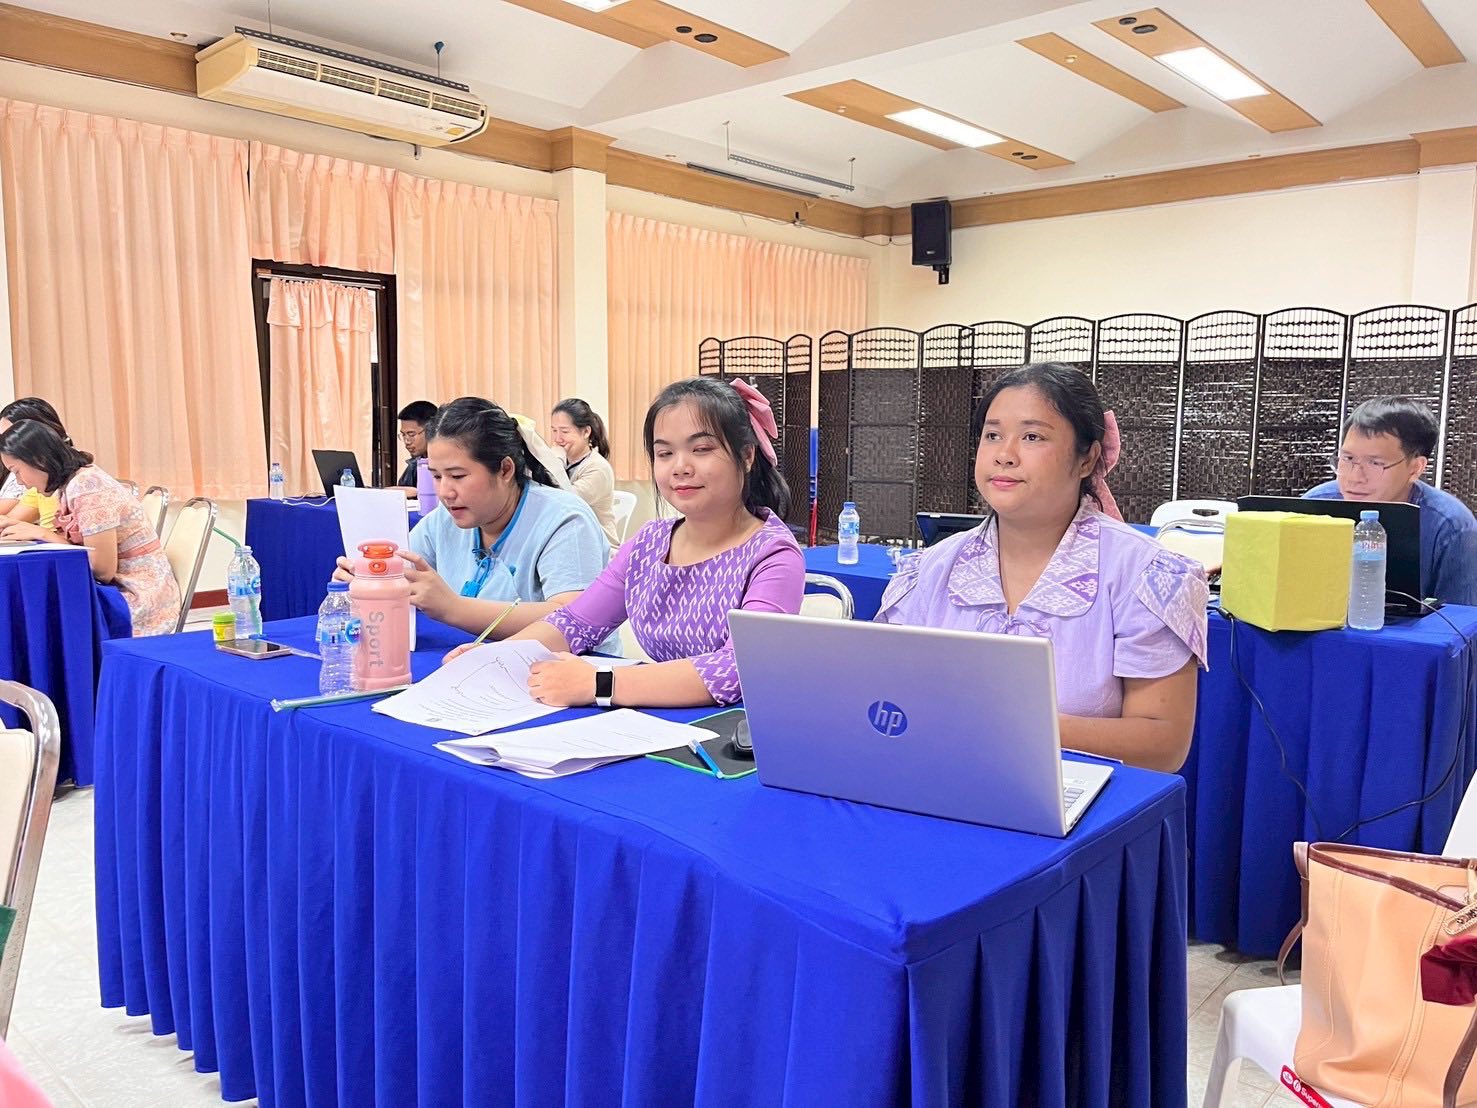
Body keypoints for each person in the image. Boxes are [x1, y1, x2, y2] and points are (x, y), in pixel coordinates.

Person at [874, 363, 1208, 773]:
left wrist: (1014, 726)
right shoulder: (929, 571)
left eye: (1032, 437)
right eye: (992, 435)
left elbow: (1162, 745)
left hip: (1087, 799)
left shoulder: (1144, 574)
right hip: (939, 782)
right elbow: (888, 704)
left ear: (1087, 458)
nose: (1004, 455)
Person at [456, 376, 804, 709]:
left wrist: (600, 683)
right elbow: (575, 623)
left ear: (746, 455)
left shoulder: (772, 554)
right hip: (652, 720)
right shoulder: (650, 542)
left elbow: (736, 669)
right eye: (664, 453)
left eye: (701, 449)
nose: (680, 467)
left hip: (732, 733)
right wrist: (495, 657)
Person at [336, 398, 610, 639]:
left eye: (458, 476)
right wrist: (368, 578)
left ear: (505, 470)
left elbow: (573, 620)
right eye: (436, 476)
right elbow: (400, 573)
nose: (445, 492)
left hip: (557, 671)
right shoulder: (442, 521)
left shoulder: (564, 520)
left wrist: (453, 608)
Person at [0, 420, 180, 635]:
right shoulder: (72, 482)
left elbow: (103, 570)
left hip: (137, 596)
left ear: (39, 459)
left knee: (38, 608)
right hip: (125, 586)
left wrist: (43, 533)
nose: (20, 482)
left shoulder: (87, 485)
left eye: (17, 471)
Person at [1304, 395, 1477, 606]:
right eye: (1348, 459)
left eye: (1375, 463)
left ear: (1415, 468)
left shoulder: (1452, 527)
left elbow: (1462, 621)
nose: (1355, 477)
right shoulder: (1315, 505)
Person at [549, 398, 619, 547]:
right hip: (572, 541)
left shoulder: (598, 468)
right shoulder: (567, 461)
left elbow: (564, 503)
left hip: (600, 547)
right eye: (554, 430)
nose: (557, 439)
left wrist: (556, 461)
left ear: (586, 432)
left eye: (564, 431)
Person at [0, 397, 64, 527]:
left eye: (12, 435)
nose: (5, 444)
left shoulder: (81, 482)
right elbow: (8, 522)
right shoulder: (38, 483)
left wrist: (43, 534)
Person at [393, 399, 438, 491]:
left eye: (411, 434)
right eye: (403, 435)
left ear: (431, 431)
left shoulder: (445, 463)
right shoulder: (414, 465)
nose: (407, 441)